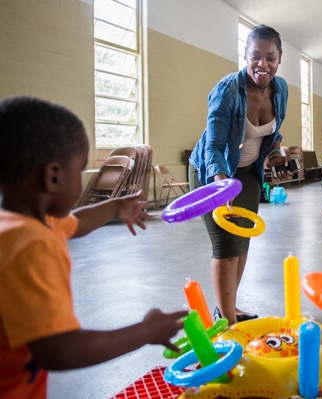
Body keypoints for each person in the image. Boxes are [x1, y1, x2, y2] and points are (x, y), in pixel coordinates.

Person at [0, 96, 187, 399]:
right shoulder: (34, 244)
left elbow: (76, 222)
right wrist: (146, 332)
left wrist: (115, 206)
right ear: (53, 176)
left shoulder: (17, 224)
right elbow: (57, 348)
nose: (80, 182)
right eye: (81, 168)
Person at [188, 25, 289, 326]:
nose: (263, 64)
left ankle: (228, 309)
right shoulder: (228, 90)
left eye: (270, 57)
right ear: (245, 56)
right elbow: (215, 147)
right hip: (213, 173)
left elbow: (274, 134)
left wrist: (278, 156)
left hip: (248, 174)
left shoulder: (281, 88)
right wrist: (221, 185)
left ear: (279, 58)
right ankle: (229, 324)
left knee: (241, 243)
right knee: (225, 247)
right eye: (255, 56)